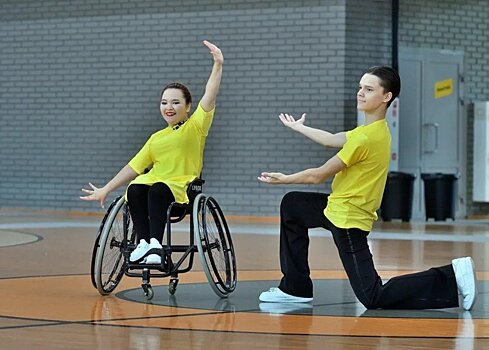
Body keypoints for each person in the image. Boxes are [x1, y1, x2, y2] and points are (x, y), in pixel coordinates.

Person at [257, 66, 477, 310]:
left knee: (373, 296)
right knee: (293, 205)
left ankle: (454, 273)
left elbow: (317, 176)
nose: (360, 93)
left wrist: (283, 178)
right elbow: (330, 139)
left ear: (386, 97)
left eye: (369, 89)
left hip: (349, 221)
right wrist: (299, 127)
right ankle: (295, 288)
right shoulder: (373, 130)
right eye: (360, 87)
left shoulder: (365, 139)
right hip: (336, 208)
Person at [80, 40, 223, 265]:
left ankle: (156, 246)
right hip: (154, 182)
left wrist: (218, 64)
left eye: (176, 102)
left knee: (157, 189)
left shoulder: (196, 126)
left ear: (187, 106)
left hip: (181, 184)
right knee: (135, 187)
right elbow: (133, 167)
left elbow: (210, 95)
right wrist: (105, 189)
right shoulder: (156, 138)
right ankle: (144, 244)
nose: (169, 107)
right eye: (165, 102)